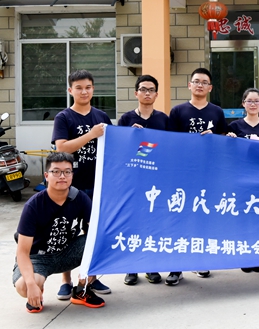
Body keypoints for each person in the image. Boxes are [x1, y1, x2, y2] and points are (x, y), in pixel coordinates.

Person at [13, 152, 106, 312]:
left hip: (67, 252)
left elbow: (95, 232)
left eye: (67, 172)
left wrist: (91, 267)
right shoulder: (33, 206)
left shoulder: (81, 198)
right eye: (56, 171)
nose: (62, 176)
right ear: (46, 176)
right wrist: (31, 284)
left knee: (100, 241)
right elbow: (22, 252)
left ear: (72, 175)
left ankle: (81, 290)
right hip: (39, 257)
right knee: (24, 287)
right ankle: (37, 290)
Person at [52, 70, 112, 298]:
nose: (84, 91)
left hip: (98, 185)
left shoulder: (101, 116)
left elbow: (114, 145)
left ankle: (91, 278)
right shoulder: (64, 117)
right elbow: (62, 147)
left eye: (88, 87)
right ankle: (66, 281)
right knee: (67, 231)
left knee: (93, 232)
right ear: (70, 90)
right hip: (71, 186)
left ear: (93, 89)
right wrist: (91, 134)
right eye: (78, 88)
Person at [167, 67, 227, 285]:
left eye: (204, 82)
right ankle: (176, 267)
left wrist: (216, 137)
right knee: (180, 217)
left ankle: (201, 260)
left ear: (210, 88)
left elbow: (224, 139)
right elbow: (170, 141)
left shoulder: (217, 112)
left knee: (203, 216)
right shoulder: (178, 111)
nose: (200, 85)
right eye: (196, 81)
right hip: (183, 173)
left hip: (208, 173)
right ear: (189, 85)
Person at [118, 75, 169, 286]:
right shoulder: (126, 119)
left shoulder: (164, 119)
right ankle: (131, 268)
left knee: (153, 223)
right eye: (143, 89)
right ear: (136, 93)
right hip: (133, 180)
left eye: (151, 90)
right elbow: (119, 149)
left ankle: (151, 266)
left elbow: (171, 147)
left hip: (157, 180)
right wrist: (130, 136)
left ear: (156, 94)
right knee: (132, 222)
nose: (147, 93)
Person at [227, 88, 259, 273]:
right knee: (243, 216)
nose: (253, 104)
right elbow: (228, 153)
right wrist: (229, 139)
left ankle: (257, 255)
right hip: (242, 176)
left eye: (256, 101)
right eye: (249, 101)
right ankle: (244, 255)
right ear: (243, 104)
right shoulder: (234, 126)